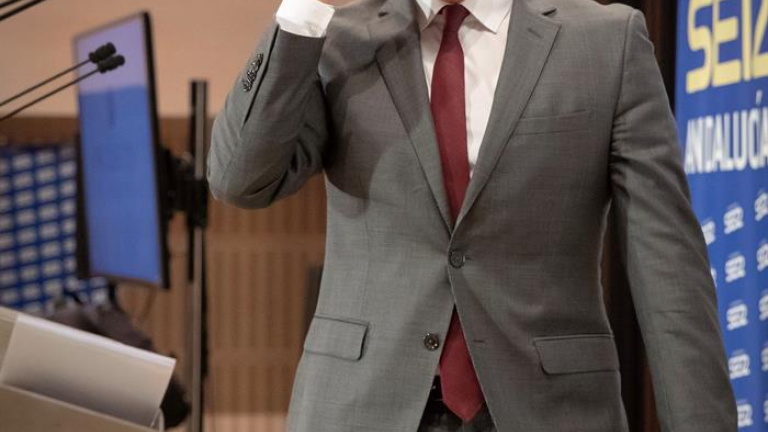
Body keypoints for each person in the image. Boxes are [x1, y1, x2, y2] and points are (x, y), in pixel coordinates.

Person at [208, 0, 737, 430]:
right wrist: (301, 13)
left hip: (551, 409)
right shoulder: (338, 42)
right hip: (361, 406)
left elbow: (669, 270)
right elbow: (239, 178)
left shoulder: (608, 41)